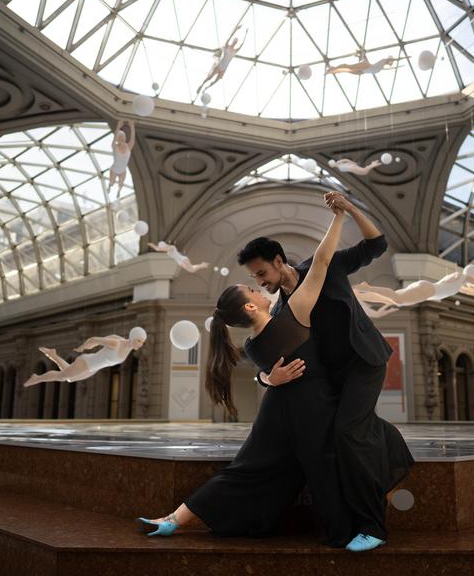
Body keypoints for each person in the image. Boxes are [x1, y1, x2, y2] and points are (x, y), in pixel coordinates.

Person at [137, 200, 359, 548]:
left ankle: (173, 519)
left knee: (246, 471)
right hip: (308, 407)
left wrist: (268, 379)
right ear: (251, 306)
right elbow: (321, 262)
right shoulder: (292, 317)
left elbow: (267, 371)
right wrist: (340, 216)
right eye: (254, 289)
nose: (260, 287)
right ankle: (342, 535)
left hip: (276, 411)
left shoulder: (254, 344)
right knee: (319, 467)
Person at [237, 191, 414, 552]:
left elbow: (376, 243)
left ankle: (373, 527)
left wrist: (349, 210)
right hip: (334, 375)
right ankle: (395, 452)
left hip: (365, 360)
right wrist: (265, 378)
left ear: (279, 260)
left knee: (348, 432)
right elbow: (269, 358)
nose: (261, 282)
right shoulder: (282, 306)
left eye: (262, 273)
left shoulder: (326, 266)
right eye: (254, 277)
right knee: (348, 429)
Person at [24, 329, 146, 387]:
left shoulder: (128, 348)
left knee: (69, 379)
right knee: (62, 377)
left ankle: (53, 355)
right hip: (86, 362)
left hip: (93, 369)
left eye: (142, 342)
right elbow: (94, 340)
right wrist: (83, 347)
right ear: (132, 337)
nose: (140, 344)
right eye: (138, 340)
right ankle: (37, 378)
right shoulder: (116, 343)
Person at [197, 25, 247, 96]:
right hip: (220, 65)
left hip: (224, 68)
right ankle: (201, 85)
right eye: (235, 40)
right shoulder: (227, 46)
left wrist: (246, 35)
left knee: (216, 81)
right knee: (210, 77)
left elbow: (242, 45)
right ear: (233, 41)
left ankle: (206, 88)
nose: (235, 42)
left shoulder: (234, 51)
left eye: (236, 41)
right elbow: (229, 38)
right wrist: (236, 29)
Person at [108, 120, 136, 193]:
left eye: (123, 136)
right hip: (114, 170)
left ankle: (119, 191)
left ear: (125, 138)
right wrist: (118, 126)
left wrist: (132, 126)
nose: (122, 138)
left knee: (121, 184)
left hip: (123, 171)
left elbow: (132, 138)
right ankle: (109, 186)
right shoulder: (114, 146)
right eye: (120, 136)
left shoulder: (129, 147)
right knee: (112, 183)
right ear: (117, 139)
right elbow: (114, 138)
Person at [326, 55, 400, 75]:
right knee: (347, 67)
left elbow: (390, 62)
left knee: (347, 67)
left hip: (366, 69)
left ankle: (334, 69)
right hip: (366, 68)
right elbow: (391, 61)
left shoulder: (381, 65)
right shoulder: (382, 62)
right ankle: (333, 68)